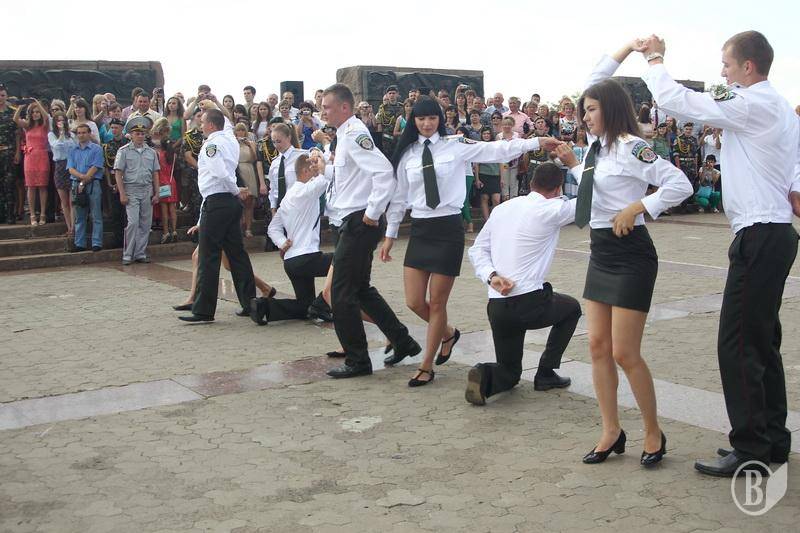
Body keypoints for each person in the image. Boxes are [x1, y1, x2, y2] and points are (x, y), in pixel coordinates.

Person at [640, 31, 800, 476]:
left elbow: (677, 101)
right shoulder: (779, 107)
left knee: (738, 344)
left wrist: (655, 58)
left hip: (759, 233)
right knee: (762, 343)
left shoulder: (750, 102)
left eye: (727, 64)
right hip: (774, 232)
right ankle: (772, 440)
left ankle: (750, 448)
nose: (723, 72)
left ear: (748, 66)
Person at [567, 43, 692, 467]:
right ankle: (611, 430)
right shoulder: (595, 145)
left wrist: (638, 207)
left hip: (631, 252)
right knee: (597, 345)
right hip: (601, 250)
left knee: (625, 351)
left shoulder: (630, 146)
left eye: (592, 110)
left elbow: (680, 184)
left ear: (612, 109)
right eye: (584, 110)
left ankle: (653, 431)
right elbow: (592, 80)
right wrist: (626, 49)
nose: (585, 116)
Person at [381, 96, 561, 386]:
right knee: (414, 301)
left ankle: (427, 365)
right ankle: (448, 333)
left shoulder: (455, 144)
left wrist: (535, 142)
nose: (427, 124)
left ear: (440, 119)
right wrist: (390, 235)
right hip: (421, 229)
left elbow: (495, 150)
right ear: (413, 121)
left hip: (448, 228)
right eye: (421, 119)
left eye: (432, 118)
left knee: (437, 303)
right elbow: (399, 197)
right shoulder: (408, 154)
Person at [320, 83, 421, 378]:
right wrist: (323, 169)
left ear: (344, 107)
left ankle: (358, 360)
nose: (323, 112)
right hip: (350, 219)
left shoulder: (354, 134)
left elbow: (383, 172)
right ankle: (402, 341)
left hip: (359, 222)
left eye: (327, 107)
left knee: (341, 293)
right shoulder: (344, 135)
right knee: (361, 290)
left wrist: (372, 213)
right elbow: (350, 177)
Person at [466, 162, 581, 405]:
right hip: (529, 303)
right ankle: (546, 372)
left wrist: (491, 276)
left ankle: (485, 374)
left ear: (530, 183)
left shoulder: (502, 209)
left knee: (510, 373)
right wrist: (575, 164)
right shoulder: (552, 209)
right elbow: (592, 199)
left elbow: (477, 249)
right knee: (572, 309)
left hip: (497, 304)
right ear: (558, 188)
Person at [178, 102, 257, 323]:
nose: (200, 125)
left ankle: (203, 310)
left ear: (211, 125)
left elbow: (220, 173)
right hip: (228, 203)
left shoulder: (211, 144)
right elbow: (227, 121)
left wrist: (235, 189)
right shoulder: (229, 138)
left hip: (218, 200)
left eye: (203, 122)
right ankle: (250, 303)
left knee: (208, 256)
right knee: (237, 254)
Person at [252, 153, 333, 324]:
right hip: (307, 257)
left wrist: (282, 243)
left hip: (291, 262)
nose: (316, 172)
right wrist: (322, 162)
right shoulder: (305, 192)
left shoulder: (288, 197)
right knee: (345, 262)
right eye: (313, 169)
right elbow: (325, 179)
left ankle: (263, 307)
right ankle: (323, 303)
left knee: (305, 306)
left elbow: (273, 228)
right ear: (305, 171)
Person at [115, 117, 160, 265]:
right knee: (133, 222)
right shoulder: (124, 151)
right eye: (137, 133)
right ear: (131, 135)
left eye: (142, 133)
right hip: (131, 189)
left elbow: (155, 173)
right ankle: (128, 254)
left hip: (146, 189)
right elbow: (118, 173)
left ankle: (140, 253)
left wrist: (157, 192)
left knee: (145, 224)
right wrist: (122, 193)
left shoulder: (151, 152)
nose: (140, 136)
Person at [67, 124, 105, 251]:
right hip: (76, 183)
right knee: (79, 215)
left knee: (96, 214)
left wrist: (84, 180)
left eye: (84, 132)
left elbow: (96, 166)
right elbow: (71, 168)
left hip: (93, 183)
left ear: (89, 134)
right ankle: (79, 243)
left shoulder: (97, 149)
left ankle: (96, 243)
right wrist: (81, 178)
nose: (81, 135)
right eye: (79, 133)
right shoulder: (73, 149)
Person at [14, 99, 50, 226]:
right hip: (29, 157)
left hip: (42, 156)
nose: (35, 114)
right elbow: (16, 119)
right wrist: (21, 107)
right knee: (31, 186)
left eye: (37, 112)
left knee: (42, 186)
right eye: (33, 112)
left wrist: (37, 103)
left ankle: (43, 213)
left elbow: (47, 116)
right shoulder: (27, 125)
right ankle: (33, 214)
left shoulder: (45, 125)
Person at [48, 112, 77, 237]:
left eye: (62, 120)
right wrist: (60, 134)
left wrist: (66, 133)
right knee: (64, 201)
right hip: (59, 166)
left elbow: (76, 147)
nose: (60, 123)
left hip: (71, 165)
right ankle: (69, 227)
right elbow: (56, 145)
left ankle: (74, 228)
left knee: (72, 201)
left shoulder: (71, 135)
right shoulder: (51, 134)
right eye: (58, 120)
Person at [151, 118, 179, 243]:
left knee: (164, 209)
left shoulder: (158, 155)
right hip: (172, 181)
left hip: (162, 182)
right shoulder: (172, 154)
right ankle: (174, 231)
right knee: (172, 208)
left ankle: (166, 232)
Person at [234, 122, 263, 237]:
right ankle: (239, 227)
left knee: (249, 201)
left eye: (242, 130)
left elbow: (255, 158)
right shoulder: (232, 143)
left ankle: (248, 228)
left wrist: (250, 145)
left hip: (249, 170)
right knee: (238, 201)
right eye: (238, 130)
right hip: (237, 171)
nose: (240, 132)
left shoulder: (251, 143)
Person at [102, 118, 128, 248]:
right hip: (113, 181)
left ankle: (128, 239)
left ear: (122, 128)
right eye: (112, 127)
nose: (114, 130)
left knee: (127, 213)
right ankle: (118, 239)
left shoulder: (128, 144)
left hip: (127, 181)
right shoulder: (108, 146)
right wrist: (109, 183)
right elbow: (107, 166)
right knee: (115, 212)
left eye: (116, 127)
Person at [474, 127, 502, 221]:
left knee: (496, 199)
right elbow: (476, 164)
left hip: (495, 175)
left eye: (488, 133)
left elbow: (500, 162)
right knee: (484, 198)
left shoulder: (495, 146)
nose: (486, 135)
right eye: (484, 133)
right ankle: (487, 221)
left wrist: (502, 178)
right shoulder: (479, 146)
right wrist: (477, 179)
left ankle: (493, 220)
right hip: (483, 174)